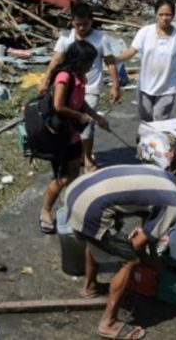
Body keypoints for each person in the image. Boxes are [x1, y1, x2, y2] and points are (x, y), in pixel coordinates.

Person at [65, 164, 176, 340]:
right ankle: (108, 323)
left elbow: (150, 226)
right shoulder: (173, 203)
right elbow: (136, 246)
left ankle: (90, 288)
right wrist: (149, 262)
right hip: (90, 210)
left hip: (76, 190)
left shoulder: (162, 174)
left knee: (97, 238)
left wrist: (150, 254)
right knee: (130, 260)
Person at [38, 39, 109, 234]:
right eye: (89, 62)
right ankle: (45, 211)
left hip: (73, 135)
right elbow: (59, 105)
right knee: (61, 178)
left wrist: (97, 118)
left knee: (74, 175)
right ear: (79, 60)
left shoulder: (79, 77)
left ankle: (70, 207)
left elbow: (80, 102)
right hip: (59, 134)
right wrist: (79, 116)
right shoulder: (64, 76)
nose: (91, 66)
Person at [39, 2, 119, 172]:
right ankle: (71, 157)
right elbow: (56, 60)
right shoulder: (66, 38)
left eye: (85, 24)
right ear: (71, 22)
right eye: (77, 25)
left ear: (92, 20)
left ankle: (87, 158)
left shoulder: (101, 38)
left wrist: (115, 85)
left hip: (91, 87)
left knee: (86, 126)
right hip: (69, 89)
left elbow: (110, 63)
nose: (81, 28)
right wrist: (45, 79)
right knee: (73, 122)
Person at [115, 0, 176, 122]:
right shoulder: (145, 32)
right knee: (146, 120)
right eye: (161, 14)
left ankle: (159, 140)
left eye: (168, 15)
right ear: (155, 14)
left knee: (160, 122)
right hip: (145, 86)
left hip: (167, 88)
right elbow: (131, 52)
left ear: (174, 15)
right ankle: (146, 141)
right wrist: (113, 59)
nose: (164, 18)